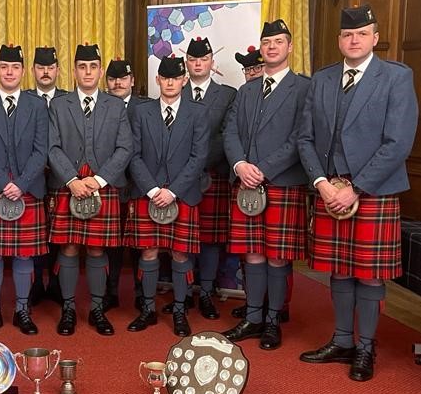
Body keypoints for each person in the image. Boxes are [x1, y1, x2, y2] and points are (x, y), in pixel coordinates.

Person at [296, 4, 418, 381]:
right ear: (339, 40)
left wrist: (357, 188)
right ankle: (342, 340)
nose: (354, 40)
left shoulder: (395, 78)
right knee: (339, 270)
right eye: (348, 34)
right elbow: (305, 138)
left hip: (372, 192)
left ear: (375, 39)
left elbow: (398, 143)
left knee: (368, 275)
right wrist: (321, 183)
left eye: (362, 34)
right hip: (330, 189)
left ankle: (365, 348)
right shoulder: (322, 79)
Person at [221, 20, 310, 350]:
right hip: (245, 182)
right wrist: (240, 165)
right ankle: (253, 317)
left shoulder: (303, 88)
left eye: (278, 41)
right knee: (253, 253)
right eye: (267, 41)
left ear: (289, 47)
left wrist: (264, 169)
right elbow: (230, 132)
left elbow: (301, 137)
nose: (271, 47)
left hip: (281, 182)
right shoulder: (246, 91)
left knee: (276, 256)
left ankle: (273, 320)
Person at [47, 43, 133, 336]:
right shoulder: (59, 105)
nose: (87, 72)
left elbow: (125, 148)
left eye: (93, 67)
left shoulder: (116, 106)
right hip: (69, 183)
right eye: (82, 66)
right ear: (74, 71)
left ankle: (97, 308)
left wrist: (99, 180)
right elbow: (52, 147)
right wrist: (71, 180)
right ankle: (68, 308)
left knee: (97, 250)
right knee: (69, 248)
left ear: (100, 71)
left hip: (101, 185)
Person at [123, 55, 208, 336]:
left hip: (181, 194)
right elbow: (133, 155)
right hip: (148, 192)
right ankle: (147, 310)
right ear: (157, 79)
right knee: (148, 251)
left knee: (180, 253)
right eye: (165, 77)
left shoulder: (198, 112)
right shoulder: (141, 111)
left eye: (175, 77)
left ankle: (181, 311)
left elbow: (198, 158)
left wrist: (172, 191)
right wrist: (151, 189)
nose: (170, 82)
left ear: (184, 80)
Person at [0, 44, 49, 335]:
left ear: (23, 71)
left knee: (24, 254)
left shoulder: (37, 105)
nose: (10, 72)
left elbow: (42, 151)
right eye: (4, 67)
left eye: (15, 67)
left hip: (27, 188)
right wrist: (4, 183)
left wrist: (21, 183)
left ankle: (22, 311)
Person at [184, 36, 236, 320]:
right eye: (193, 60)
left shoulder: (227, 95)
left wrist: (196, 163)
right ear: (187, 63)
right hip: (182, 178)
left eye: (203, 59)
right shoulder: (175, 90)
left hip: (212, 174)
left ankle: (206, 293)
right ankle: (184, 292)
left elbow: (225, 136)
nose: (198, 64)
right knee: (183, 237)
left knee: (210, 240)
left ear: (211, 63)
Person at [102, 58, 149, 311]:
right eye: (112, 78)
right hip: (113, 185)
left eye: (123, 78)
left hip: (141, 185)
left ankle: (143, 294)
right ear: (106, 81)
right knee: (113, 245)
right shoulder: (100, 105)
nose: (118, 82)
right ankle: (110, 292)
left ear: (132, 81)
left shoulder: (147, 107)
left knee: (142, 245)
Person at [26, 46, 68, 305]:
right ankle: (34, 285)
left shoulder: (67, 99)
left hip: (62, 179)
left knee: (57, 238)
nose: (45, 72)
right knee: (35, 237)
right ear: (33, 70)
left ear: (58, 70)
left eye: (50, 68)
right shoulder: (25, 98)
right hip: (31, 179)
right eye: (40, 68)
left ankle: (55, 284)